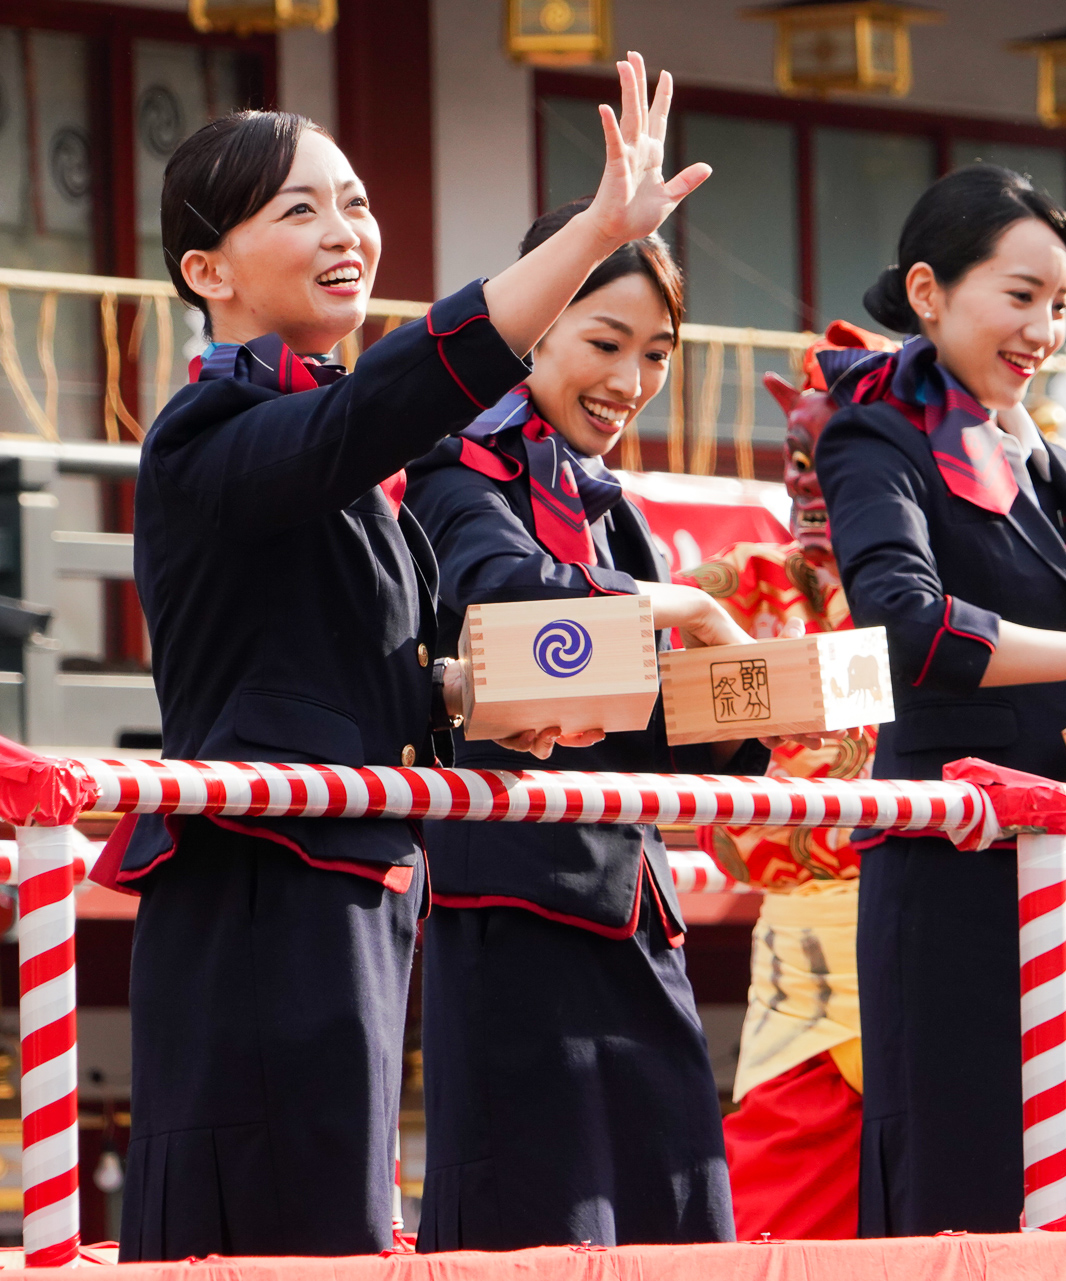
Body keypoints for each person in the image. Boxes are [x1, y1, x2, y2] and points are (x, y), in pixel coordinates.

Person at [100, 56, 708, 1260]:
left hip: (354, 878)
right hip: (258, 884)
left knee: (333, 1219)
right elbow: (375, 408)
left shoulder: (339, 459)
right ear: (205, 272)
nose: (348, 233)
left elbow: (367, 663)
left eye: (358, 204)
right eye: (302, 209)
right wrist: (593, 231)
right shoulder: (209, 433)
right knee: (266, 1223)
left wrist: (485, 697)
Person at [813, 165, 1066, 1236]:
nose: (1044, 329)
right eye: (1020, 295)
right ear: (928, 290)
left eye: (1060, 305)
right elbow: (905, 627)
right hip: (957, 868)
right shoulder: (875, 433)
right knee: (966, 1186)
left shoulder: (1046, 460)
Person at [403, 202, 766, 1248]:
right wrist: (691, 609)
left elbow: (647, 719)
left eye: (656, 354)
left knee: (675, 1212)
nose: (631, 381)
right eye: (605, 344)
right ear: (533, 326)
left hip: (633, 906)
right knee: (535, 1219)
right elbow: (510, 597)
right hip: (511, 904)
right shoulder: (454, 469)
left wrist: (762, 707)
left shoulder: (609, 507)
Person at [681, 340, 882, 1242]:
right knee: (781, 1232)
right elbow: (618, 629)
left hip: (955, 943)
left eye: (832, 461)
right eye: (796, 461)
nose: (806, 486)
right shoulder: (756, 584)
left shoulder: (975, 586)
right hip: (803, 977)